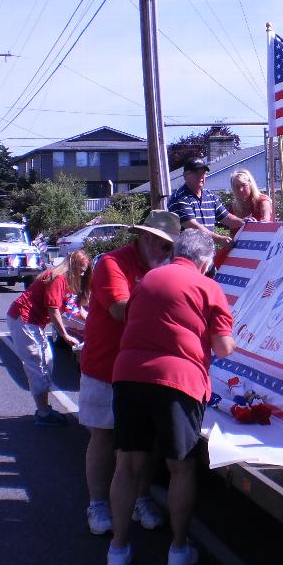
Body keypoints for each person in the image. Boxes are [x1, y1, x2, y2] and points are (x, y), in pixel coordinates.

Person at [107, 229, 235, 565]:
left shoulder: (148, 279)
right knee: (181, 467)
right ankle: (178, 550)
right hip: (179, 381)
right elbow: (223, 347)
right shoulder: (209, 287)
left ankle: (117, 549)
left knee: (126, 465)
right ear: (205, 261)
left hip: (129, 375)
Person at [79, 209, 181, 537]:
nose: (164, 252)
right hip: (105, 366)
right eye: (159, 243)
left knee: (144, 443)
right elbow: (121, 311)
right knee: (104, 436)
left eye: (169, 247)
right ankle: (97, 503)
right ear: (144, 237)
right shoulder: (112, 263)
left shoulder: (166, 268)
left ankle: (140, 498)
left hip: (143, 371)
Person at [6, 249, 92, 426]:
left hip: (32, 322)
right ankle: (43, 413)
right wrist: (65, 335)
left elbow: (75, 310)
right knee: (38, 364)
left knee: (47, 361)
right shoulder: (58, 279)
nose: (83, 274)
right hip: (24, 319)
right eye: (81, 270)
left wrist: (94, 323)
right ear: (72, 266)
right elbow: (54, 310)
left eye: (85, 271)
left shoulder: (66, 280)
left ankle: (44, 409)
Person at [167, 157, 244, 247]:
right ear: (185, 175)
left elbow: (227, 218)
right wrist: (218, 238)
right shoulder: (179, 197)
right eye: (196, 173)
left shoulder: (210, 196)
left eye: (203, 173)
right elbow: (192, 226)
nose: (201, 176)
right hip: (185, 254)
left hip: (207, 254)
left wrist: (244, 222)